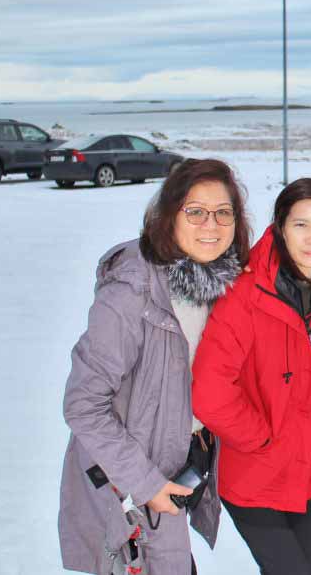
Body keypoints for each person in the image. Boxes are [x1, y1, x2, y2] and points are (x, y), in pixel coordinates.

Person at [59, 158, 250, 574]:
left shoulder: (219, 283)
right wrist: (146, 484)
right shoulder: (132, 293)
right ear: (169, 215)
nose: (211, 225)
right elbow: (83, 405)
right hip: (128, 484)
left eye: (223, 212)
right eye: (195, 211)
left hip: (178, 469)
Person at [191, 177, 311, 575]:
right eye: (301, 224)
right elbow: (209, 391)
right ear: (280, 228)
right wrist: (260, 438)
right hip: (254, 477)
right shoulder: (245, 292)